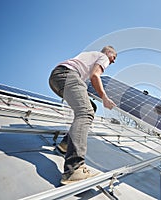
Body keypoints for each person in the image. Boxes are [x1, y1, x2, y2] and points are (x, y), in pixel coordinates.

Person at [49, 46, 117, 184]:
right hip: (67, 75)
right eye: (113, 57)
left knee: (91, 107)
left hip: (57, 77)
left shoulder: (88, 56)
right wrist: (104, 97)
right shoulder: (102, 56)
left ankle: (65, 144)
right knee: (85, 112)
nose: (113, 61)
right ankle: (74, 168)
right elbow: (95, 76)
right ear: (108, 53)